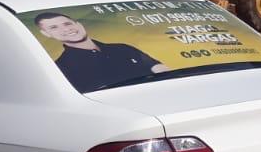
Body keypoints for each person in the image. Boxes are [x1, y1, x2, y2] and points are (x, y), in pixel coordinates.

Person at [34, 12, 169, 92]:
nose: (65, 29)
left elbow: (160, 69)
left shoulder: (122, 48)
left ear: (78, 24)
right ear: (46, 34)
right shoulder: (62, 67)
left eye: (67, 24)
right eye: (54, 27)